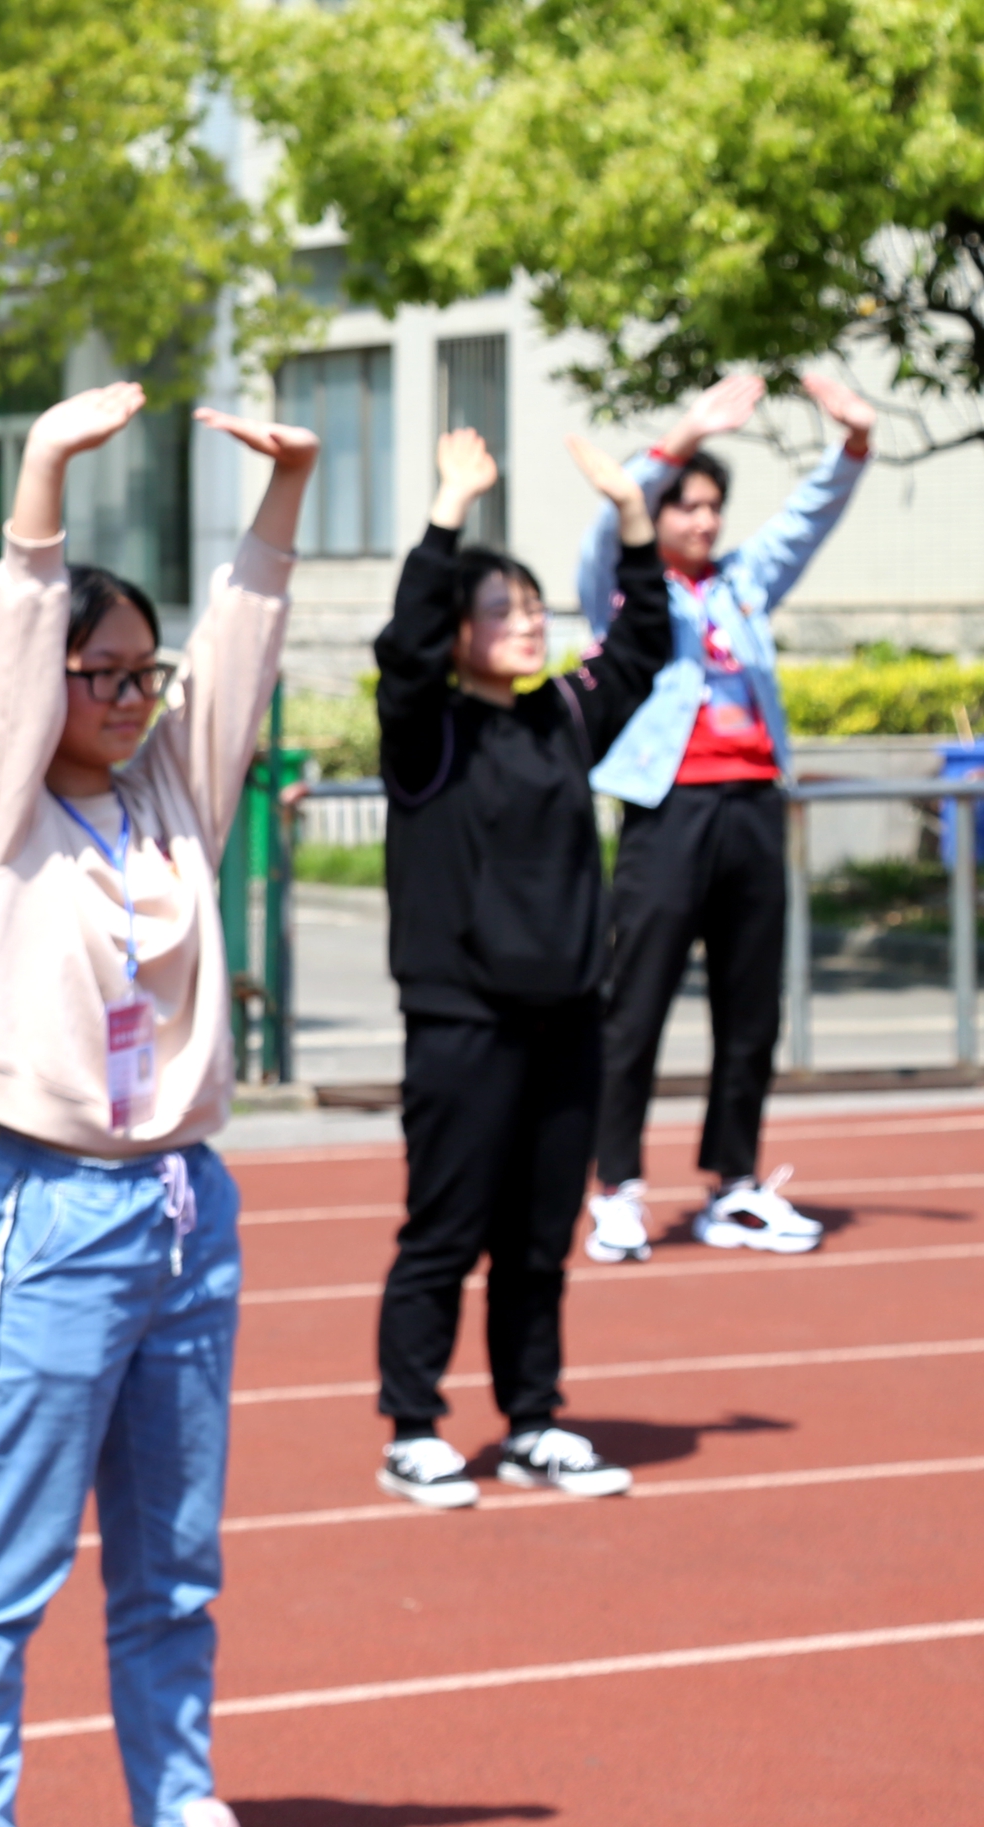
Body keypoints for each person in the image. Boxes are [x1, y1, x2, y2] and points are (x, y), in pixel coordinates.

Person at [0, 383, 317, 1827]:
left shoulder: (167, 792)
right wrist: (39, 479)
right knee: (1, 1560)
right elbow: (13, 658)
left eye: (144, 671)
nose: (135, 694)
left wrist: (284, 495)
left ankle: (174, 1825)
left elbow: (246, 645)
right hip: (56, 1214)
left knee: (174, 1560)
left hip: (185, 1213)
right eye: (103, 673)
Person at [369, 430, 673, 1511]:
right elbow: (398, 651)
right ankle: (411, 1427)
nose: (527, 623)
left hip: (564, 1018)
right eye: (501, 610)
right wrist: (447, 506)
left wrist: (631, 514)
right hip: (461, 1020)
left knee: (538, 1241)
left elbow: (641, 647)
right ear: (459, 633)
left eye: (535, 607)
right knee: (445, 1230)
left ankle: (533, 1420)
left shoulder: (561, 716)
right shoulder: (427, 731)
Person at [579, 371, 875, 1262]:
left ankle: (734, 1186)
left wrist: (855, 441)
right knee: (637, 1007)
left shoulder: (742, 583)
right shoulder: (629, 590)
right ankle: (617, 1188)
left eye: (712, 507)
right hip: (669, 810)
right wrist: (681, 433)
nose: (702, 522)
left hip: (752, 806)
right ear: (657, 515)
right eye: (685, 507)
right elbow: (607, 521)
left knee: (753, 1010)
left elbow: (809, 518)